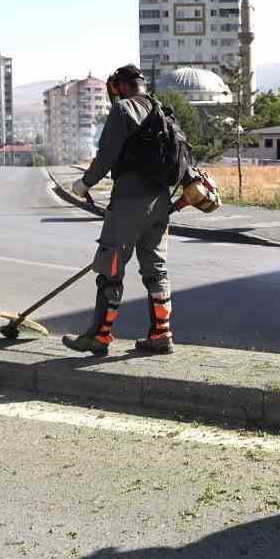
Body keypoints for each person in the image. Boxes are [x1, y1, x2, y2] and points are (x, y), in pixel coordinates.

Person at [62, 64, 176, 356]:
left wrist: (84, 184)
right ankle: (161, 334)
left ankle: (99, 337)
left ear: (121, 86)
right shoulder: (162, 111)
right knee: (156, 269)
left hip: (129, 201)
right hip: (161, 201)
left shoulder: (123, 110)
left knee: (111, 268)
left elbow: (106, 157)